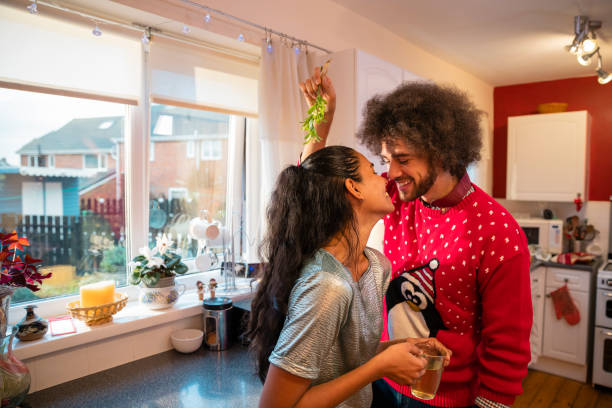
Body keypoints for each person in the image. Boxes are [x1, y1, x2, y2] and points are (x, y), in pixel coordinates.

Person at [299, 68, 532, 408]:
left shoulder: (498, 234)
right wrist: (321, 118)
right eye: (386, 160)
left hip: (442, 398)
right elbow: (311, 191)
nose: (391, 172)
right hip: (379, 375)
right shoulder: (394, 195)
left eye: (403, 160)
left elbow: (508, 349)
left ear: (442, 153)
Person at [247, 145, 451, 408]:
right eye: (374, 171)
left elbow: (346, 359)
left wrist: (399, 348)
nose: (386, 178)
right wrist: (379, 368)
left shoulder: (377, 267)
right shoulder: (327, 285)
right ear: (354, 188)